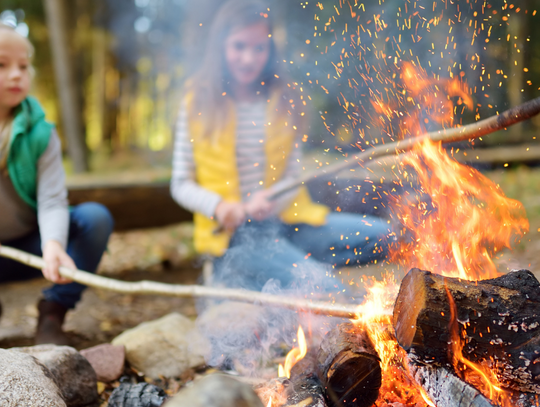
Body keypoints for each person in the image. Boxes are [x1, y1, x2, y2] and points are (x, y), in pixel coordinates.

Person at [171, 0, 390, 292]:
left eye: (259, 48)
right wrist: (219, 206)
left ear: (270, 49)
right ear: (221, 45)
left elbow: (293, 175)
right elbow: (180, 183)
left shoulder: (286, 100)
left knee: (388, 235)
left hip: (290, 224)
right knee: (325, 289)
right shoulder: (197, 101)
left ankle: (291, 266)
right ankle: (266, 271)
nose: (249, 58)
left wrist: (274, 201)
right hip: (235, 238)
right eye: (239, 46)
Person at [0, 24, 113, 345]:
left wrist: (53, 244)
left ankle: (52, 313)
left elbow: (52, 200)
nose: (16, 75)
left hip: (29, 246)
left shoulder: (41, 134)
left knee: (94, 219)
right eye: (2, 64)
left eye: (23, 66)